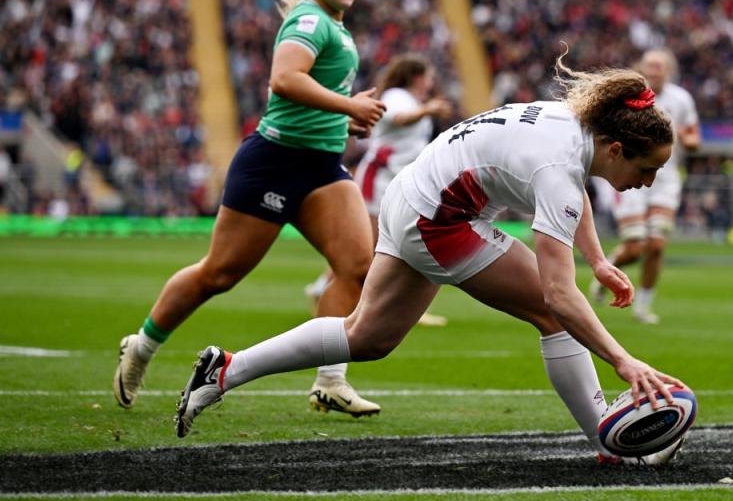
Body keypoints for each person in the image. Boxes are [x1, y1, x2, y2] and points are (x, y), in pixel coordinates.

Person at [174, 55, 691, 467]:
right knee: (553, 311)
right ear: (618, 148)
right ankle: (607, 442)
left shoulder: (572, 127)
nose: (649, 182)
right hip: (440, 219)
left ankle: (226, 371)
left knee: (367, 337)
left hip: (412, 196)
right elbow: (559, 288)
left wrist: (597, 261)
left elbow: (569, 192)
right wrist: (623, 361)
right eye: (649, 168)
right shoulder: (560, 165)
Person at [113, 0, 388, 418]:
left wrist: (342, 117)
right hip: (274, 164)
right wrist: (348, 104)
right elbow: (284, 81)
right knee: (219, 274)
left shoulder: (336, 25)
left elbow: (308, 92)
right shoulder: (309, 19)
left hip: (322, 166)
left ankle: (330, 381)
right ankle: (142, 347)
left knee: (359, 266)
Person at [304, 53, 453, 326]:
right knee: (368, 245)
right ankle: (324, 288)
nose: (431, 84)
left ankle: (401, 304)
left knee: (393, 242)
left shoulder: (410, 100)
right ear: (418, 77)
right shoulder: (399, 96)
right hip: (379, 179)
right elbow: (397, 118)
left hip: (397, 180)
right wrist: (427, 110)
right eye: (429, 78)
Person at [589, 49, 700, 323]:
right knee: (635, 247)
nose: (654, 71)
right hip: (630, 173)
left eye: (659, 67)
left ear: (668, 70)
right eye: (649, 66)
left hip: (666, 179)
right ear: (641, 68)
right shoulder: (629, 96)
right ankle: (608, 269)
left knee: (657, 245)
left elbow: (693, 136)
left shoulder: (681, 99)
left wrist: (689, 141)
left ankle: (644, 306)